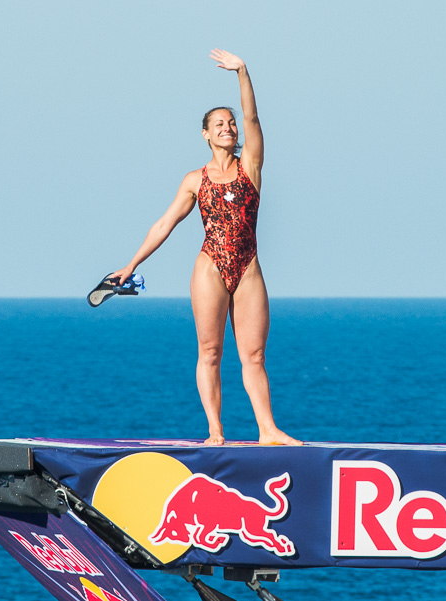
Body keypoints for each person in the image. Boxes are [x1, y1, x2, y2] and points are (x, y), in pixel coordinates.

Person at [111, 49, 301, 446]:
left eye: (230, 123)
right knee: (210, 351)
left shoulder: (251, 164)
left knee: (254, 356)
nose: (229, 128)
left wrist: (243, 73)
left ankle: (268, 430)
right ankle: (215, 430)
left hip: (248, 267)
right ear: (205, 134)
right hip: (210, 267)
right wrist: (130, 265)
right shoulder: (195, 180)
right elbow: (165, 224)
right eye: (219, 124)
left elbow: (253, 118)